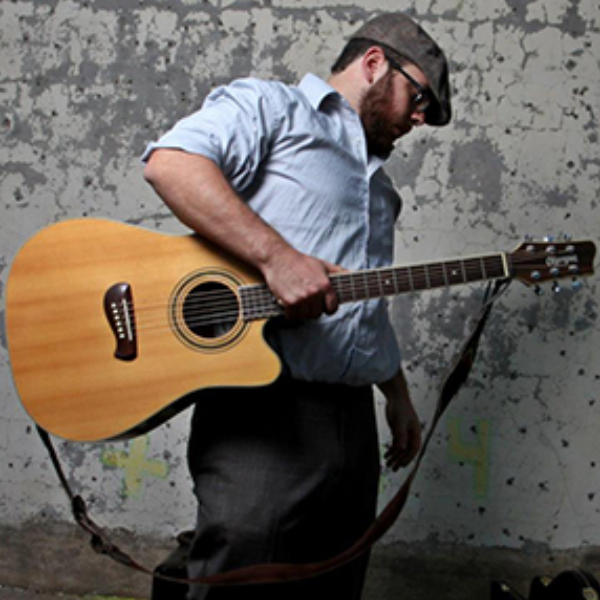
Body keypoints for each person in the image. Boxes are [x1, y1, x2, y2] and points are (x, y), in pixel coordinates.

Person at [142, 11, 451, 600]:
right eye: (420, 98)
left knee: (334, 585)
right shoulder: (270, 109)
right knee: (241, 579)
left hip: (351, 419)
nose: (421, 118)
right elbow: (171, 162)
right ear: (374, 63)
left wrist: (398, 396)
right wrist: (277, 257)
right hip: (261, 403)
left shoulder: (382, 192)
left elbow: (363, 305)